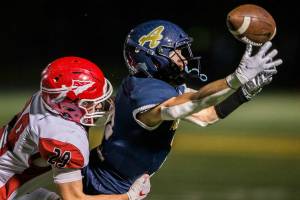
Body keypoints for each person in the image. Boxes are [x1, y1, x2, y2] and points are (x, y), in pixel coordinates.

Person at [82, 19, 283, 195]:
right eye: (176, 53)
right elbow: (194, 102)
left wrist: (245, 92)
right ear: (154, 57)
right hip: (103, 189)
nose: (184, 59)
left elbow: (207, 116)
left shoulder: (154, 85)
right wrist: (236, 79)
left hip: (108, 181)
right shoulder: (145, 91)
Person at [0, 56, 150, 200]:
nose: (99, 105)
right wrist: (130, 196)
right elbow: (74, 198)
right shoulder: (61, 135)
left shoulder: (48, 99)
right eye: (90, 103)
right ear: (67, 106)